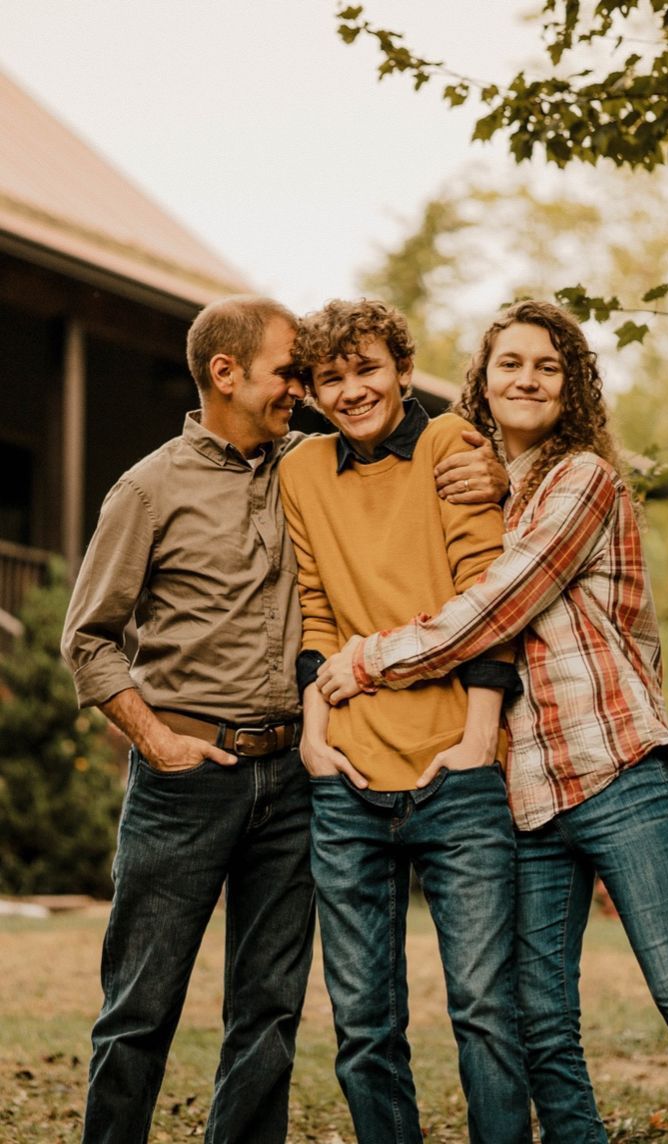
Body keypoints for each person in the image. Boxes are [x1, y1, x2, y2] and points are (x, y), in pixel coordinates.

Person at [315, 300, 668, 1142]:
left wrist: (363, 661)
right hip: (526, 793)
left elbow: (494, 606)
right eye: (510, 363)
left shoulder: (584, 478)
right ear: (484, 377)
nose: (527, 378)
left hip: (616, 771)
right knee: (543, 1023)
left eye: (547, 365)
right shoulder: (482, 486)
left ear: (571, 384)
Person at [61, 296, 315, 1144]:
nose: (300, 387)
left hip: (292, 780)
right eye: (288, 369)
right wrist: (158, 741)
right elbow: (86, 640)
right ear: (225, 372)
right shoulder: (148, 487)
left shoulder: (307, 471)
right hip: (186, 780)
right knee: (140, 1006)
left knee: (270, 1011)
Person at [278, 298, 531, 1143]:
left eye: (368, 368)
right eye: (333, 378)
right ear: (312, 391)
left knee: (488, 1013)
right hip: (347, 780)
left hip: (454, 775)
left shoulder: (450, 445)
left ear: (400, 366)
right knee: (363, 1026)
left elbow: (489, 598)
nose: (353, 390)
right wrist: (315, 735)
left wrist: (474, 744)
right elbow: (315, 611)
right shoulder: (302, 472)